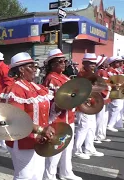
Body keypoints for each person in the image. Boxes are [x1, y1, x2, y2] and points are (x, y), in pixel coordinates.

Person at [0, 52, 55, 180]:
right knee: (25, 176)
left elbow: (47, 110)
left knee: (37, 174)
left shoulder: (37, 87)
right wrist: (41, 130)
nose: (35, 69)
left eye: (35, 66)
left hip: (40, 139)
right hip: (22, 140)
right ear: (21, 69)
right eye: (31, 66)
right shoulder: (15, 89)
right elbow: (17, 119)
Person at [42, 49, 82, 180]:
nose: (64, 64)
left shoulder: (65, 77)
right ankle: (49, 176)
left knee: (67, 149)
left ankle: (66, 172)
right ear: (52, 64)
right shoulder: (50, 78)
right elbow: (50, 100)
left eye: (65, 61)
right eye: (60, 61)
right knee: (56, 150)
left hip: (69, 117)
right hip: (57, 119)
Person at [73, 53, 104, 160]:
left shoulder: (91, 74)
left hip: (91, 103)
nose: (93, 65)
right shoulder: (81, 75)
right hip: (82, 104)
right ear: (84, 63)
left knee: (91, 127)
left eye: (94, 63)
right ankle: (76, 150)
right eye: (90, 63)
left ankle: (89, 148)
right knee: (83, 127)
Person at [95, 56, 112, 142]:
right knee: (100, 118)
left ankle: (101, 134)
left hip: (104, 96)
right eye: (105, 61)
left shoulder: (102, 71)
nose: (107, 62)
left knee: (103, 118)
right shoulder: (101, 72)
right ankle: (98, 135)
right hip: (102, 97)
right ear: (102, 63)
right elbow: (103, 85)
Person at [106, 57, 123, 132]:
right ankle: (110, 124)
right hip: (114, 91)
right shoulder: (110, 70)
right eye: (117, 62)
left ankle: (118, 124)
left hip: (119, 90)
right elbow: (112, 81)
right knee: (116, 108)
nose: (119, 63)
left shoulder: (116, 70)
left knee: (119, 108)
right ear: (112, 63)